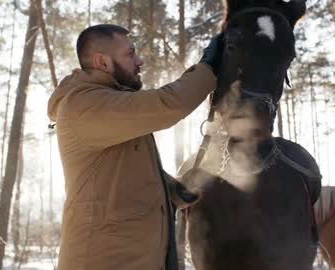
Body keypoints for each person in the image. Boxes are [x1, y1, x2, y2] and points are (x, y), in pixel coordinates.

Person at [47, 24, 223, 270]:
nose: (140, 61)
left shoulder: (113, 110)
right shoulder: (83, 105)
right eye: (130, 54)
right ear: (103, 62)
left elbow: (130, 180)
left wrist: (178, 189)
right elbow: (169, 104)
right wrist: (209, 67)